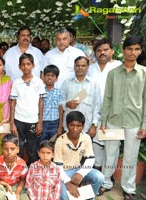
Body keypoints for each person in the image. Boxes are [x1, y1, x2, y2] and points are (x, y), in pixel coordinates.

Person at [100, 36, 146, 200]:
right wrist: (103, 122)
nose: (133, 52)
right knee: (110, 153)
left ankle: (128, 188)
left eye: (137, 49)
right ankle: (105, 182)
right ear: (124, 50)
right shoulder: (113, 73)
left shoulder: (144, 73)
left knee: (131, 156)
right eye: (130, 49)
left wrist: (144, 125)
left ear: (140, 51)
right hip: (113, 121)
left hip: (134, 122)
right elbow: (107, 98)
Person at [87, 38, 122, 170]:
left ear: (112, 51)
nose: (102, 53)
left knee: (112, 144)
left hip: (114, 114)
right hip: (94, 114)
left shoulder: (119, 66)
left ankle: (109, 175)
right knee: (96, 143)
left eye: (106, 50)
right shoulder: (90, 69)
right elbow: (85, 89)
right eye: (99, 50)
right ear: (95, 53)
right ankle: (97, 169)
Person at [54, 111, 104, 200]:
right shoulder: (60, 141)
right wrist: (67, 182)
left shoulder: (86, 138)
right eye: (72, 125)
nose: (75, 129)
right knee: (66, 196)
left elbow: (90, 159)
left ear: (83, 126)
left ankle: (89, 197)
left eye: (78, 126)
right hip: (63, 172)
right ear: (67, 125)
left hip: (78, 169)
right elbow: (58, 167)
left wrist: (81, 173)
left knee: (99, 177)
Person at [10, 53, 46, 165]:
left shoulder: (39, 82)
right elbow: (12, 103)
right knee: (18, 148)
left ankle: (32, 173)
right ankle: (19, 173)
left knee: (32, 149)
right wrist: (12, 122)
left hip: (33, 121)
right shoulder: (16, 82)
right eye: (23, 64)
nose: (26, 67)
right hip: (19, 120)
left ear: (33, 65)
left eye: (28, 64)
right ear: (19, 66)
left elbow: (41, 102)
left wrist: (40, 122)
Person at [61, 56, 101, 136]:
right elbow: (60, 102)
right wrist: (67, 104)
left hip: (86, 127)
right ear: (74, 66)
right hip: (69, 127)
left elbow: (97, 106)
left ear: (88, 67)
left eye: (83, 66)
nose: (80, 68)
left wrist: (94, 125)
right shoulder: (67, 83)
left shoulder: (93, 84)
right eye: (78, 65)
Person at [0, 134, 29, 200]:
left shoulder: (22, 164)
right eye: (6, 149)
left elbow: (22, 179)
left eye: (12, 149)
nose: (9, 152)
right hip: (1, 184)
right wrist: (5, 184)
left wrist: (17, 193)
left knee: (25, 198)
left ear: (17, 149)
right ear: (2, 149)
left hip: (16, 185)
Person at [40, 64, 63, 142]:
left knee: (53, 145)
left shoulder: (59, 92)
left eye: (52, 75)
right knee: (41, 144)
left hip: (54, 123)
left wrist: (60, 127)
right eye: (47, 75)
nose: (50, 77)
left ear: (56, 78)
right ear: (44, 76)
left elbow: (60, 109)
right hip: (42, 122)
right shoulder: (40, 90)